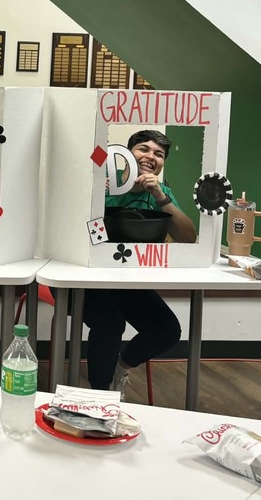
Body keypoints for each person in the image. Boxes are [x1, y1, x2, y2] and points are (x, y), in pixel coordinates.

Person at [83, 129, 196, 395]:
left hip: (129, 282)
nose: (150, 156)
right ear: (127, 153)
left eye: (159, 154)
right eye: (143, 149)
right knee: (110, 322)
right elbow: (83, 233)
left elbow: (188, 237)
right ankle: (100, 394)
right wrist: (96, 198)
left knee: (167, 329)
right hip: (90, 279)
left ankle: (121, 367)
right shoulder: (102, 184)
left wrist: (161, 198)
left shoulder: (161, 194)